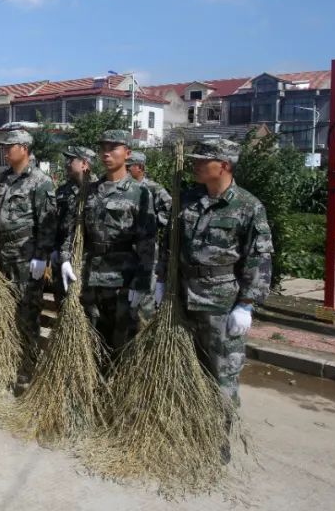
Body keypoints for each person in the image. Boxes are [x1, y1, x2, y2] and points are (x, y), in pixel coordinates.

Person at [164, 138, 273, 407]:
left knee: (222, 377)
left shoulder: (248, 206)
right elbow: (168, 244)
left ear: (224, 165)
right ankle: (193, 438)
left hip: (220, 305)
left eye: (203, 161)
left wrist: (246, 304)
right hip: (183, 299)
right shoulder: (188, 200)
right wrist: (160, 281)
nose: (196, 165)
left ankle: (219, 444)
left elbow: (258, 257)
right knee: (187, 376)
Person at [59, 130, 156, 356]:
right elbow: (74, 230)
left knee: (123, 345)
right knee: (92, 343)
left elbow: (147, 242)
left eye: (113, 148)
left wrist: (142, 283)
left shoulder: (139, 192)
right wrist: (66, 258)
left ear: (127, 153)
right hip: (91, 278)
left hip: (122, 281)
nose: (106, 154)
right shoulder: (90, 190)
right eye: (103, 148)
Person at [0, 129, 56, 379]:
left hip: (26, 258)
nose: (6, 150)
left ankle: (26, 367)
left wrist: (42, 256)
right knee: (4, 311)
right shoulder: (4, 179)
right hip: (2, 256)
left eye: (10, 146)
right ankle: (6, 361)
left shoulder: (40, 181)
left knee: (26, 313)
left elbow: (47, 224)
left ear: (24, 148)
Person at [52, 146, 97, 304]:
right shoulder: (63, 190)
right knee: (62, 301)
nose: (67, 163)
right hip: (63, 256)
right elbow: (55, 222)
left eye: (71, 160)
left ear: (84, 164)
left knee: (88, 307)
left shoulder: (98, 190)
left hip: (88, 261)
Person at [127, 150, 171, 229]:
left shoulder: (153, 188)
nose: (125, 169)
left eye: (128, 166)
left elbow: (169, 207)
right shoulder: (123, 186)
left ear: (140, 167)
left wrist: (151, 223)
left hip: (144, 239)